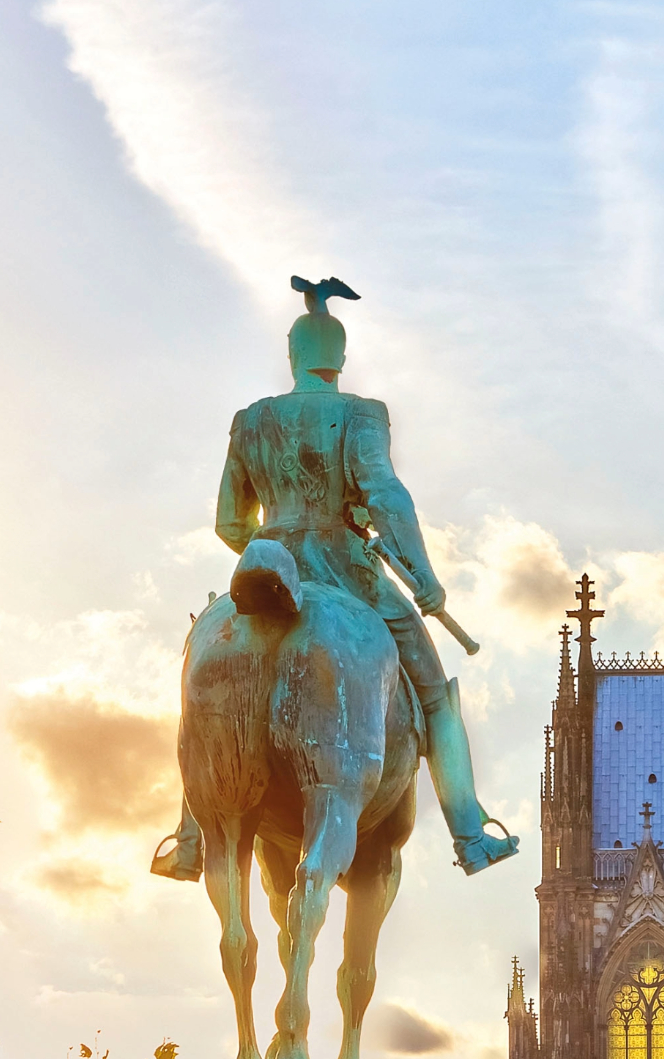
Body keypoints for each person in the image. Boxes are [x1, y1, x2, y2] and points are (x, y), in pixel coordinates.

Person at [156, 276, 518, 878]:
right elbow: (386, 495)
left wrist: (270, 543)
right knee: (435, 695)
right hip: (350, 570)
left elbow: (227, 522)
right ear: (340, 359)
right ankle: (471, 834)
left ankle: (190, 836)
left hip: (269, 562)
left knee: (199, 682)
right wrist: (422, 575)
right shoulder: (361, 414)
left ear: (293, 357)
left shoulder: (250, 422)